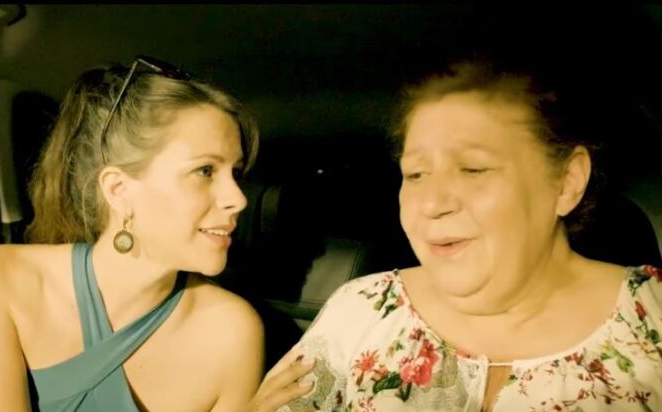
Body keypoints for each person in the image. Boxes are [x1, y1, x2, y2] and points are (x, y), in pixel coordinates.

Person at [274, 58, 662, 411]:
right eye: (415, 174)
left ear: (566, 181)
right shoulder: (361, 312)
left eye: (473, 169)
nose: (431, 203)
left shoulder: (653, 318)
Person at [0, 55, 311, 412]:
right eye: (205, 171)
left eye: (236, 173)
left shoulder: (232, 330)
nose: (238, 199)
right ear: (119, 190)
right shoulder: (2, 277)